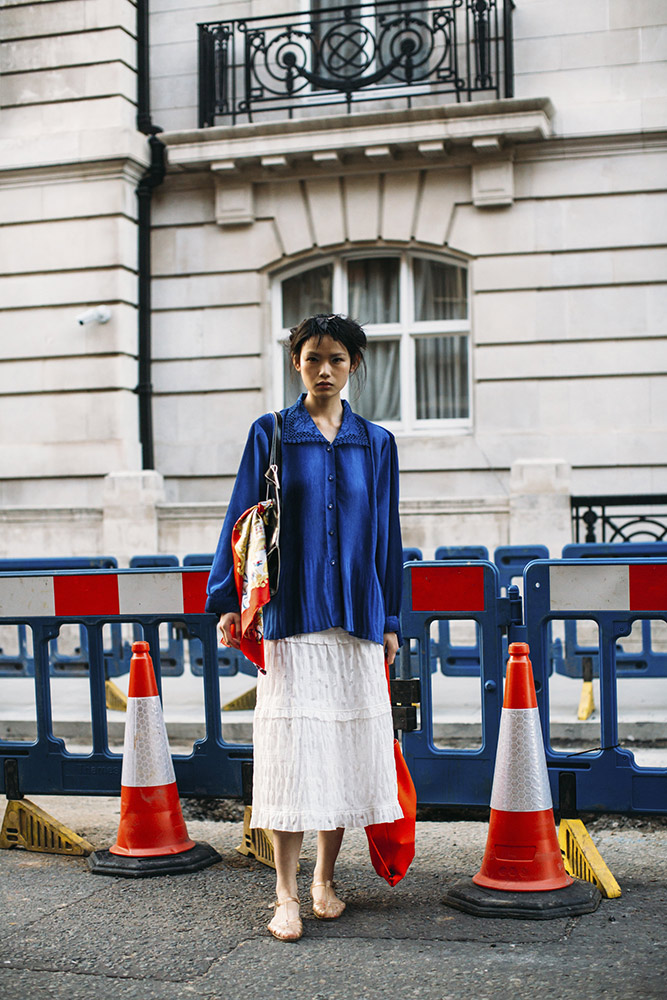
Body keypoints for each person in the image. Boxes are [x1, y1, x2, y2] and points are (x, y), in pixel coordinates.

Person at [205, 314, 404, 942]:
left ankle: (324, 880)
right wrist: (228, 601)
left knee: (342, 754)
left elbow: (387, 537)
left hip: (356, 620)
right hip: (290, 619)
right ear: (296, 362)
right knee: (292, 756)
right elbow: (241, 517)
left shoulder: (377, 443)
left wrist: (391, 617)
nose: (324, 370)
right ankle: (284, 894)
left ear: (354, 367)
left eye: (337, 360)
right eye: (313, 357)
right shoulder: (270, 435)